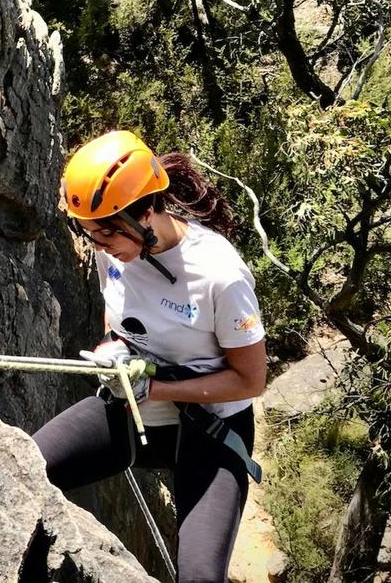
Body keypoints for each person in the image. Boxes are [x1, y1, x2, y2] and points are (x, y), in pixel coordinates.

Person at [34, 130, 266, 583]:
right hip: (134, 408)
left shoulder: (220, 274)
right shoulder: (115, 249)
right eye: (90, 235)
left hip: (211, 427)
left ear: (145, 213)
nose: (99, 246)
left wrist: (155, 387)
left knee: (200, 578)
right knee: (24, 467)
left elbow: (250, 380)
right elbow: (118, 316)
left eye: (105, 234)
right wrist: (112, 348)